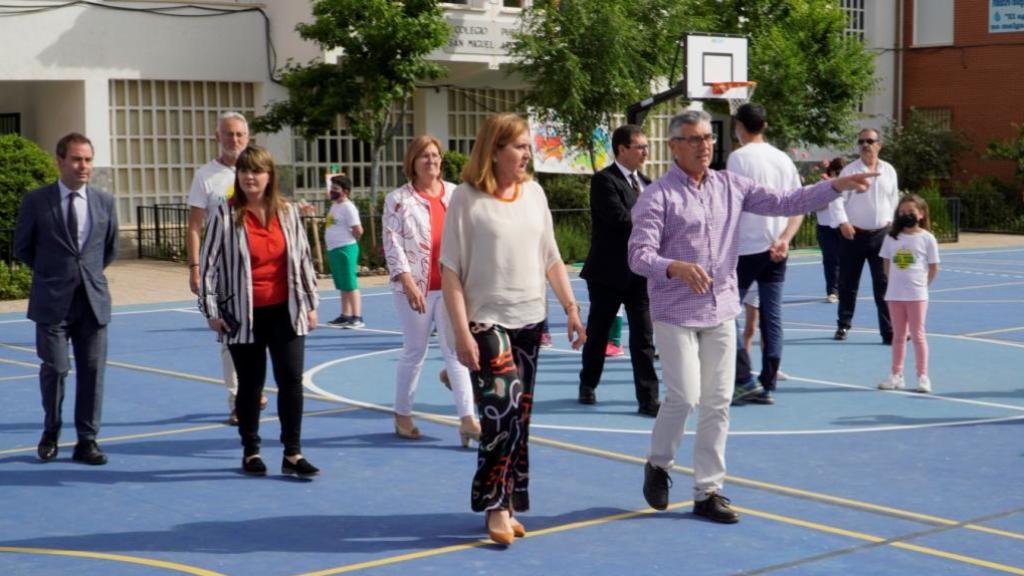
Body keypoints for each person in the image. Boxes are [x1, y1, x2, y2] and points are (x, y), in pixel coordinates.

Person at [629, 110, 877, 524]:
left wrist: (834, 186)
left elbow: (786, 201)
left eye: (708, 137)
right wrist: (674, 266)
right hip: (674, 312)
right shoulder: (658, 196)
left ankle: (708, 491)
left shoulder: (732, 185)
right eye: (693, 139)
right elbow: (638, 256)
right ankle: (658, 463)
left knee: (718, 402)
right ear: (673, 146)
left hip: (721, 307)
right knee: (685, 396)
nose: (704, 146)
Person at [441, 113, 586, 546]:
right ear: (495, 149)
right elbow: (450, 272)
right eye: (519, 146)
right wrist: (461, 334)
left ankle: (508, 498)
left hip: (530, 319)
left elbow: (552, 258)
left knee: (519, 417)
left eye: (527, 147)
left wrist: (572, 310)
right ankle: (493, 505)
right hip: (487, 320)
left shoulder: (535, 195)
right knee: (501, 412)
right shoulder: (466, 200)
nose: (527, 154)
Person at [198, 145, 321, 478]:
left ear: (270, 176)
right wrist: (211, 308)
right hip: (243, 315)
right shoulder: (225, 214)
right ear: (237, 176)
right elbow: (208, 267)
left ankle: (292, 453)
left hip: (287, 311)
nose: (250, 177)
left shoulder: (289, 213)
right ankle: (251, 450)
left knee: (291, 383)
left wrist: (310, 303)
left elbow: (304, 260)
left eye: (257, 171)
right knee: (251, 386)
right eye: (244, 171)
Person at [14, 132, 119, 465]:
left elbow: (109, 249)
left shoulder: (105, 202)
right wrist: (52, 275)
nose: (83, 166)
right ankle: (51, 430)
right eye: (76, 159)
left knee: (92, 371)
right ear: (60, 161)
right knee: (56, 369)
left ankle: (87, 441)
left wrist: (85, 275)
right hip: (51, 301)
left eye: (87, 159)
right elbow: (23, 248)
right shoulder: (36, 201)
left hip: (92, 301)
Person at [382, 134, 480, 445]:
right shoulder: (398, 199)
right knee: (415, 351)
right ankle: (402, 414)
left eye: (436, 155)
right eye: (425, 155)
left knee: (456, 352)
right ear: (412, 161)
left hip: (452, 287)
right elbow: (392, 243)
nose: (432, 160)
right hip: (417, 289)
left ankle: (467, 419)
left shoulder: (454, 194)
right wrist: (407, 281)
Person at [186, 111, 265, 424]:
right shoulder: (206, 175)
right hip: (223, 271)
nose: (234, 140)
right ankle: (236, 400)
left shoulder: (259, 172)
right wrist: (195, 267)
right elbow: (194, 225)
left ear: (248, 138)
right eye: (228, 134)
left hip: (258, 269)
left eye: (240, 135)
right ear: (218, 136)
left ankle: (253, 387)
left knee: (261, 335)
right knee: (230, 335)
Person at [578, 124, 660, 416]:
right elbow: (620, 219)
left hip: (639, 275)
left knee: (643, 337)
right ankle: (588, 382)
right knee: (598, 333)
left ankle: (648, 399)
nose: (645, 152)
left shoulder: (649, 184)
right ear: (622, 149)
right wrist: (653, 220)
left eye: (645, 146)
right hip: (607, 274)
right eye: (639, 146)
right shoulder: (604, 181)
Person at [727, 103, 803, 406]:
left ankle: (743, 378)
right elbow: (798, 204)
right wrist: (785, 238)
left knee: (725, 314)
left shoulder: (738, 158)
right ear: (765, 125)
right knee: (773, 317)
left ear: (739, 127)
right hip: (776, 249)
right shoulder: (783, 159)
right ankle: (768, 383)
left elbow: (731, 205)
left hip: (745, 248)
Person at [830, 128, 900, 344]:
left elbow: (893, 198)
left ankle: (888, 331)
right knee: (848, 283)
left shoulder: (889, 170)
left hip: (882, 235)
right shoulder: (850, 171)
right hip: (854, 235)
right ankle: (843, 325)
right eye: (861, 141)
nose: (865, 145)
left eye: (870, 141)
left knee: (884, 284)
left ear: (879, 144)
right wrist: (843, 222)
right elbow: (836, 198)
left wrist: (893, 225)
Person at [878, 194, 940, 393]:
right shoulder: (891, 237)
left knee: (918, 335)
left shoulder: (927, 238)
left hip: (916, 295)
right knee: (898, 336)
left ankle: (923, 376)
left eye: (910, 212)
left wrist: (923, 284)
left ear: (921, 214)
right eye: (902, 212)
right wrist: (892, 282)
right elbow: (886, 262)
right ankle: (896, 375)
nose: (905, 215)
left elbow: (933, 266)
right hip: (895, 295)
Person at [324, 174, 365, 328]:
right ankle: (345, 314)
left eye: (336, 189)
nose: (332, 191)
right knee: (342, 284)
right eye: (332, 188)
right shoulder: (335, 205)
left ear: (345, 191)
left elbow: (358, 229)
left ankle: (357, 317)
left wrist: (351, 241)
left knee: (350, 283)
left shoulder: (349, 207)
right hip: (334, 249)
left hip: (345, 248)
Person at [817, 157, 846, 303]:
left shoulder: (848, 186)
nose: (841, 175)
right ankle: (832, 291)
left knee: (846, 259)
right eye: (838, 172)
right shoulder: (822, 185)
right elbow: (815, 206)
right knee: (830, 260)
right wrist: (831, 193)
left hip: (843, 226)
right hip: (825, 227)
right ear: (832, 171)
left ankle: (844, 288)